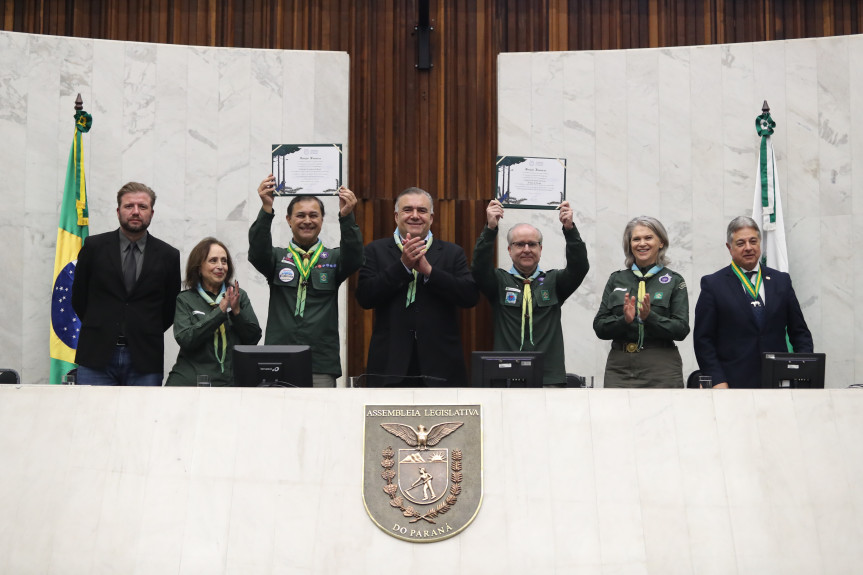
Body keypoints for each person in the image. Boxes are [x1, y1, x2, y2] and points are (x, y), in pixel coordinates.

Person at [355, 187, 479, 387]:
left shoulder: (452, 252)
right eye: (407, 210)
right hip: (390, 363)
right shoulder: (375, 250)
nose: (415, 216)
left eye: (421, 211)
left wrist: (430, 272)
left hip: (441, 366)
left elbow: (469, 296)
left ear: (431, 218)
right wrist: (402, 266)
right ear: (396, 217)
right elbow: (365, 297)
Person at [248, 174, 362, 387]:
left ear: (321, 220)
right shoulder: (277, 258)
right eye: (300, 215)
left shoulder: (334, 259)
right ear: (289, 220)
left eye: (313, 215)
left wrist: (347, 217)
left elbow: (355, 258)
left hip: (320, 362)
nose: (307, 221)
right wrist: (266, 209)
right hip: (278, 359)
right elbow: (256, 253)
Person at [71, 182, 181, 386]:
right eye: (129, 206)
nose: (136, 212)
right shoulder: (93, 247)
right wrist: (101, 325)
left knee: (143, 417)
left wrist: (142, 328)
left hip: (145, 357)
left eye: (143, 207)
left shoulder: (169, 255)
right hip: (96, 354)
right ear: (118, 211)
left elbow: (169, 309)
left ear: (152, 213)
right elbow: (79, 298)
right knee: (93, 416)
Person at [471, 199, 589, 386]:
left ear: (540, 249)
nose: (526, 249)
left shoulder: (554, 282)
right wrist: (490, 228)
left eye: (532, 244)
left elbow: (579, 267)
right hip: (506, 377)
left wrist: (569, 229)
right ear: (509, 250)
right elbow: (478, 268)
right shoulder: (499, 282)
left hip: (548, 378)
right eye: (519, 244)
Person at [693, 216, 813, 388]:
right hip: (733, 384)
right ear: (729, 247)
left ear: (760, 243)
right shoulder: (713, 285)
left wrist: (803, 371)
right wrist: (717, 380)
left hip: (779, 382)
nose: (748, 248)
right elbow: (703, 341)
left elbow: (800, 332)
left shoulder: (781, 281)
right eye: (741, 243)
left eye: (753, 241)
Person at [593, 216, 689, 388]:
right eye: (636, 239)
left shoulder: (674, 280)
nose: (642, 243)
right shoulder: (617, 279)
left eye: (648, 238)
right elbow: (599, 326)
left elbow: (681, 329)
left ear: (661, 243)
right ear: (629, 245)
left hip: (661, 366)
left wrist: (650, 317)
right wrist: (625, 320)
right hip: (619, 367)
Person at [165, 238, 262, 386]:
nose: (220, 266)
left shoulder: (238, 296)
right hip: (190, 382)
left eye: (224, 261)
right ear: (199, 267)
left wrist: (236, 313)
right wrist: (221, 311)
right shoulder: (185, 299)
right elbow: (186, 340)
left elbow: (253, 339)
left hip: (228, 383)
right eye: (213, 261)